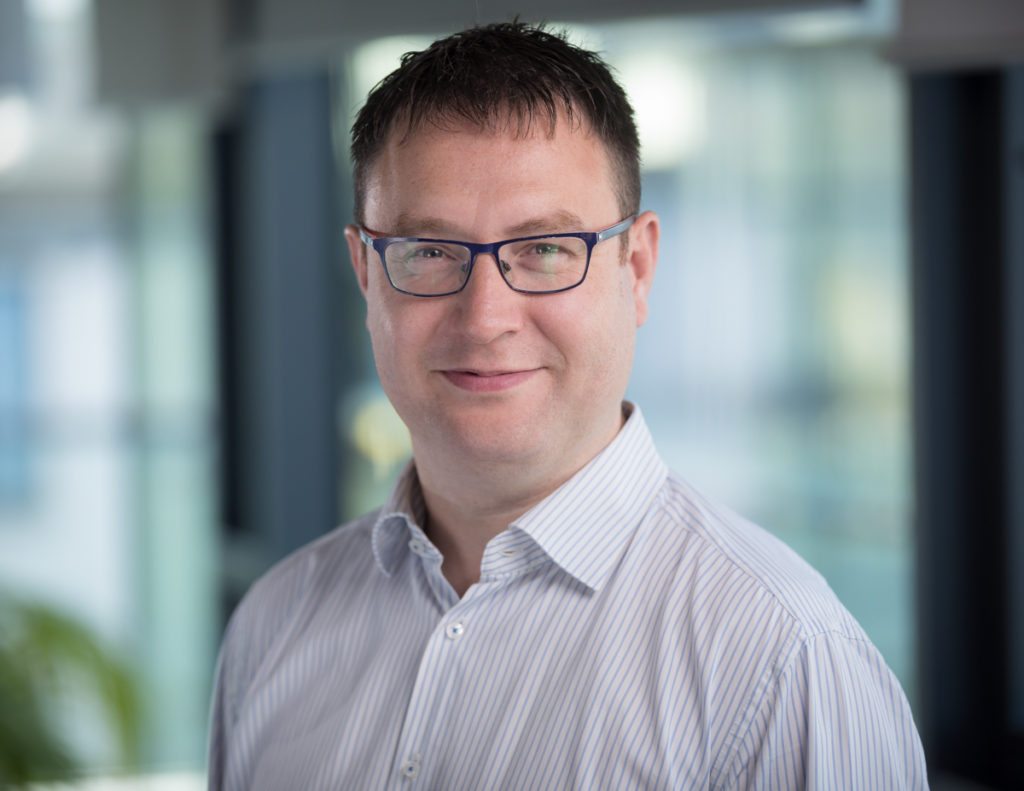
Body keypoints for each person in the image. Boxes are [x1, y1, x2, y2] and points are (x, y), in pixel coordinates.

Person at [208, 22, 927, 790]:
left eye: (545, 249)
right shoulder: (275, 625)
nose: (485, 316)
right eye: (430, 251)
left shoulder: (784, 659)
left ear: (638, 267)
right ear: (365, 273)